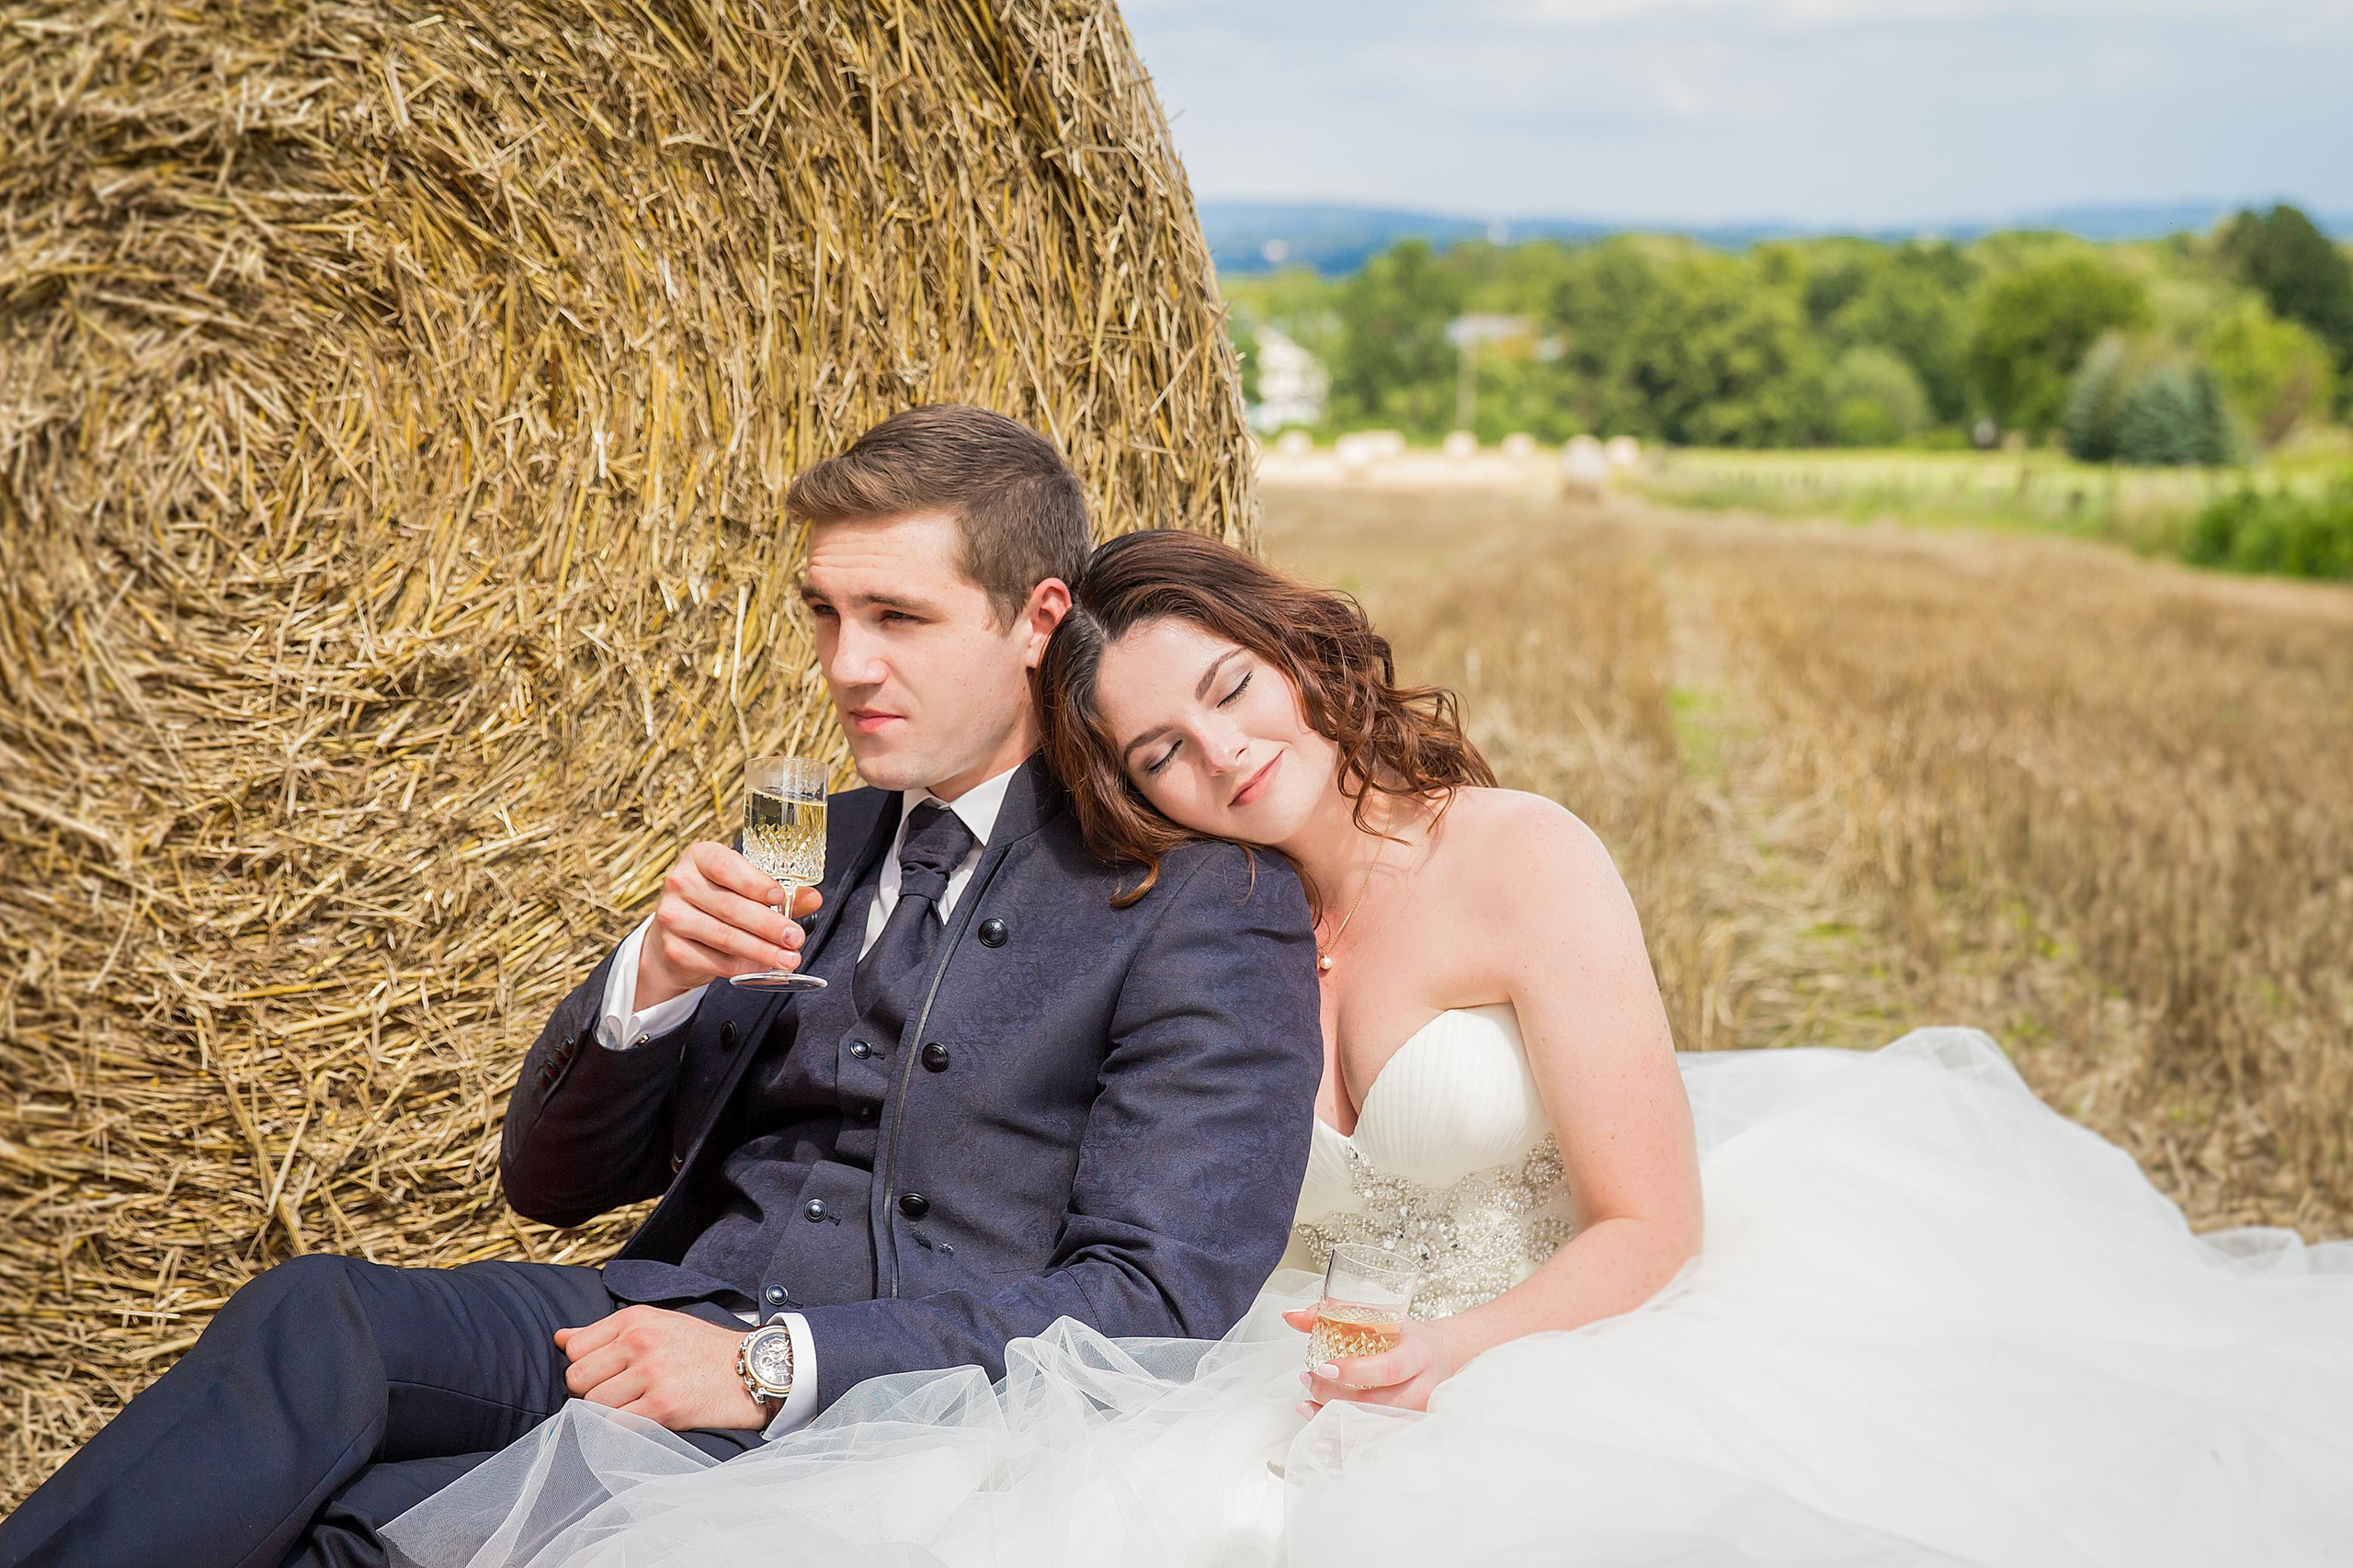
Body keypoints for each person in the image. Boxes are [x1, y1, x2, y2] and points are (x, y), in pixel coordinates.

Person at [383, 528, 2353, 1568]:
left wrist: (1455, 1361)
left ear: (1301, 654)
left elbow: (1640, 1223)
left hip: (1546, 1333)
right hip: (1256, 1355)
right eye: (1155, 749)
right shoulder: (1178, 933)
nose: (1213, 750)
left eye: (1226, 691)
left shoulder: (1517, 860)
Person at [0, 417, 1324, 1568]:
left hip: (887, 1413)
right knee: (321, 1311)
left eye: (898, 618)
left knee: (360, 1531)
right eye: (826, 611)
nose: (846, 665)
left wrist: (771, 1366)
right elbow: (554, 1183)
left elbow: (1155, 1299)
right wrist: (652, 982)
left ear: (1037, 618)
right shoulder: (805, 831)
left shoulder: (1194, 898)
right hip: (649, 1311)